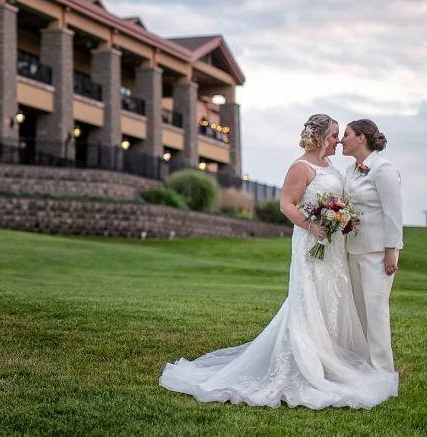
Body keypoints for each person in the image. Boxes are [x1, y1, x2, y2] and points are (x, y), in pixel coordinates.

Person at [159, 114, 397, 409]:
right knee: (309, 299)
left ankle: (333, 357)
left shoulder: (335, 167)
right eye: (334, 135)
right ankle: (307, 361)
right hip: (311, 241)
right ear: (321, 137)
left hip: (333, 246)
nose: (337, 141)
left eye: (340, 135)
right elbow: (287, 204)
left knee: (332, 299)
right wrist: (313, 225)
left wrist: (338, 218)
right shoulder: (301, 166)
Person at [341, 119, 402, 373]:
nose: (342, 140)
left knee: (376, 312)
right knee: (360, 312)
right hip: (353, 250)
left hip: (377, 253)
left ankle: (382, 371)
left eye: (346, 135)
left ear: (361, 138)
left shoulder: (384, 169)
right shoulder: (350, 170)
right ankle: (364, 365)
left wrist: (391, 251)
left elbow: (393, 213)